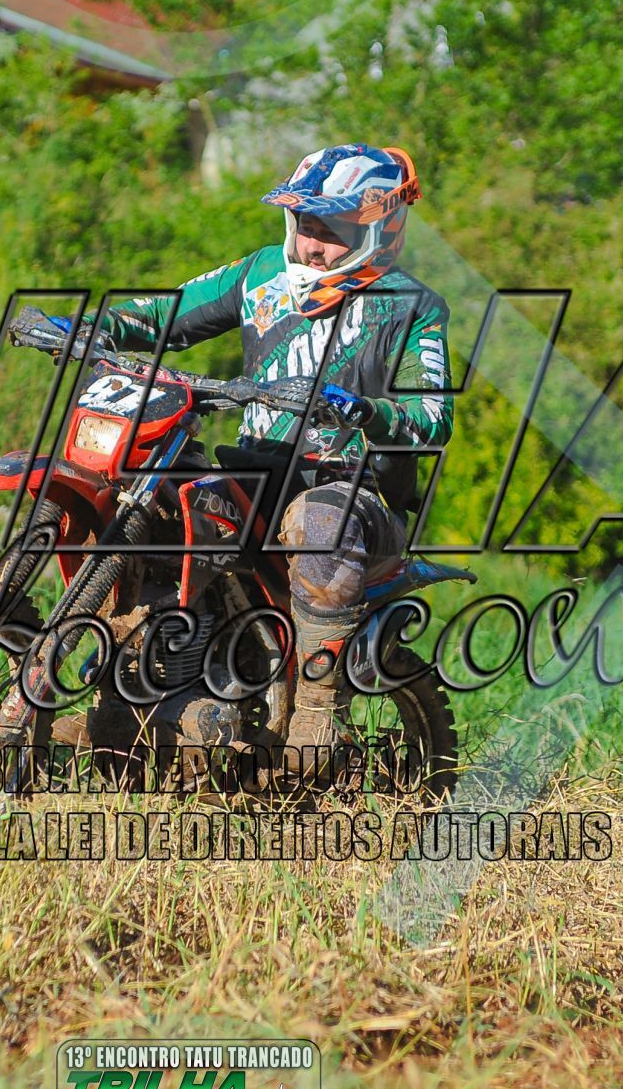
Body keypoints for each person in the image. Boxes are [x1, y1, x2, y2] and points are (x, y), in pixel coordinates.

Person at [79, 143, 451, 755]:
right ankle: (129, 686)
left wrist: (366, 410)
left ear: (378, 231)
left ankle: (317, 711)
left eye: (331, 231)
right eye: (304, 224)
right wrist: (89, 327)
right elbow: (166, 313)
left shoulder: (412, 308)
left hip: (353, 493)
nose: (311, 245)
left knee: (319, 520)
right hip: (257, 477)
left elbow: (433, 417)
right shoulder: (261, 275)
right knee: (152, 495)